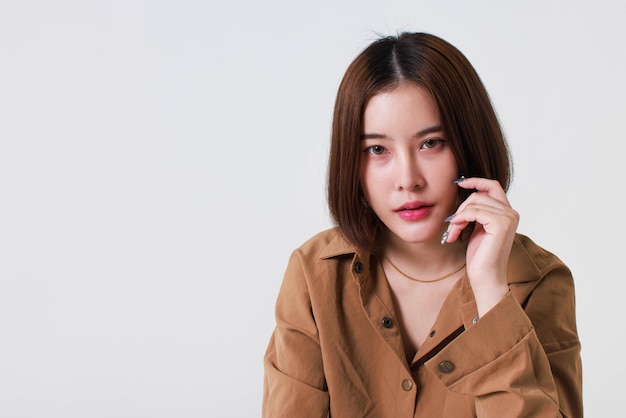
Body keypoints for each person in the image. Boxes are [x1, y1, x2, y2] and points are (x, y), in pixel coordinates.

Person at [263, 32, 582, 417]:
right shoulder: (315, 274)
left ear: (469, 143)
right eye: (377, 150)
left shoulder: (538, 281)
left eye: (431, 143)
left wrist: (491, 293)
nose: (407, 179)